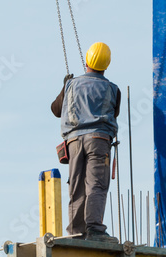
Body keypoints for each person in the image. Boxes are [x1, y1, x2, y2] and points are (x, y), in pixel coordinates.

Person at [51, 41, 122, 242]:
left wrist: (64, 86)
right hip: (98, 140)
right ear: (106, 65)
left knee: (76, 185)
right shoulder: (112, 89)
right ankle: (95, 230)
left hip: (73, 142)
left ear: (86, 61)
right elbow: (114, 113)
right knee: (96, 185)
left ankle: (75, 233)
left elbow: (56, 110)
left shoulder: (71, 85)